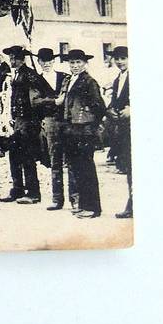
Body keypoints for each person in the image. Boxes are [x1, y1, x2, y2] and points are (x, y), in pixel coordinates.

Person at [56, 49, 106, 219]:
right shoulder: (69, 80)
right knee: (77, 169)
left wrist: (90, 127)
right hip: (71, 131)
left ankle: (93, 208)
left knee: (87, 170)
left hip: (84, 132)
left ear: (85, 64)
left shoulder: (89, 82)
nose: (75, 65)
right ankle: (84, 205)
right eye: (72, 62)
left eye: (78, 62)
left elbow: (99, 106)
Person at [0, 46, 46, 205]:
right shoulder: (17, 74)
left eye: (15, 58)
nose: (12, 61)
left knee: (28, 157)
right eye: (11, 58)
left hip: (29, 121)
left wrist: (33, 120)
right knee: (14, 155)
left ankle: (33, 193)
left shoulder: (30, 75)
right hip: (19, 121)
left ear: (22, 59)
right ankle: (17, 189)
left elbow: (37, 97)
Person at [33, 47, 76, 211]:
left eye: (50, 60)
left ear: (54, 61)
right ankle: (57, 199)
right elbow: (35, 101)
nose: (47, 64)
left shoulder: (65, 77)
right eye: (43, 61)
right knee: (55, 160)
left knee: (71, 159)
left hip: (67, 121)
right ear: (39, 62)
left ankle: (75, 199)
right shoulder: (36, 80)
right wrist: (53, 101)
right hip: (50, 121)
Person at [106, 46, 132, 218]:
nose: (120, 61)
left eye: (123, 58)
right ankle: (132, 205)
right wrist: (111, 110)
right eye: (117, 58)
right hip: (123, 128)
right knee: (129, 167)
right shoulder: (118, 79)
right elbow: (115, 100)